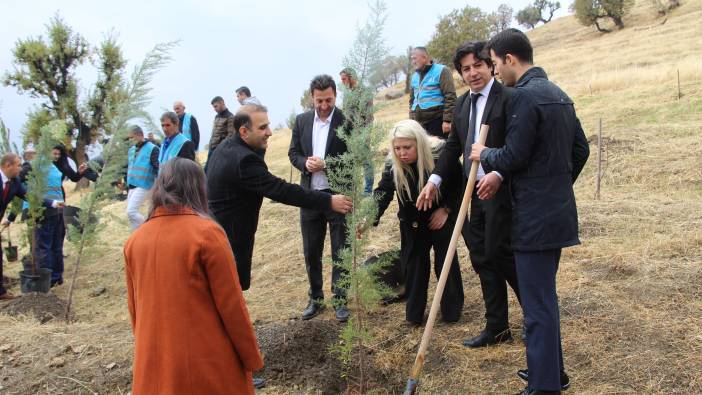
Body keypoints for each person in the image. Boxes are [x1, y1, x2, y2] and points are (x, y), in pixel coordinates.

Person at [469, 29, 589, 395]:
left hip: (533, 221)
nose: (495, 72)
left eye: (493, 63)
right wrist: (555, 186)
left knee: (537, 308)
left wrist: (482, 153)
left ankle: (544, 387)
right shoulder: (560, 95)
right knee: (544, 300)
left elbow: (512, 156)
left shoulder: (522, 97)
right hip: (556, 214)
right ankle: (553, 374)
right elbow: (580, 151)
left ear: (509, 59)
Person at [124, 158, 263, 394]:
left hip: (155, 362)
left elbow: (136, 309)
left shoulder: (135, 241)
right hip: (206, 361)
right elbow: (232, 306)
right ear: (198, 187)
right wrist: (251, 358)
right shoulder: (206, 234)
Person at [417, 41, 522, 348]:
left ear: (491, 65)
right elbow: (453, 148)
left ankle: (534, 317)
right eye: (466, 69)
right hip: (471, 192)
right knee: (481, 258)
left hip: (501, 190)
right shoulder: (462, 105)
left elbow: (520, 146)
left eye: (478, 65)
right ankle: (497, 327)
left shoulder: (509, 99)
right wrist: (435, 180)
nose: (473, 73)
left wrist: (499, 174)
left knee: (501, 255)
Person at [207, 104, 352, 292]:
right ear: (243, 131)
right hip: (230, 238)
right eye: (262, 128)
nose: (269, 132)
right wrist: (328, 201)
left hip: (219, 231)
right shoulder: (243, 161)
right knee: (229, 292)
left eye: (268, 125)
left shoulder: (227, 146)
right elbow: (281, 190)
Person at [373, 120, 464, 325]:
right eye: (397, 148)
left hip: (439, 217)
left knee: (446, 263)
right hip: (412, 222)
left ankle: (451, 312)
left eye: (407, 147)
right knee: (414, 266)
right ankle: (414, 316)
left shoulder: (440, 155)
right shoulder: (392, 164)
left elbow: (459, 184)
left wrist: (446, 210)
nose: (402, 153)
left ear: (419, 144)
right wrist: (369, 217)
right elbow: (383, 192)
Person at [288, 74, 351, 322]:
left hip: (338, 196)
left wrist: (328, 163)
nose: (324, 106)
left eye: (329, 100)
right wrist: (305, 163)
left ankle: (341, 300)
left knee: (340, 250)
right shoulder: (302, 121)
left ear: (335, 95)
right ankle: (315, 298)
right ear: (312, 97)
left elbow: (354, 156)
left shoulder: (346, 121)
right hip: (309, 197)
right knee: (311, 251)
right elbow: (293, 153)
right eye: (319, 101)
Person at [38, 145, 98, 286]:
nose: (56, 156)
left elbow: (74, 177)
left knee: (55, 241)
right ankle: (51, 275)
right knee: (48, 242)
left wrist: (80, 172)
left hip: (58, 204)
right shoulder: (42, 167)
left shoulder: (60, 165)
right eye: (54, 153)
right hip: (47, 205)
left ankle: (55, 276)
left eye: (59, 154)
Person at [0, 153, 54, 299]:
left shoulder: (15, 182)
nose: (20, 168)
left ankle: (1, 292)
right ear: (7, 165)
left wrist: (53, 203)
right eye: (18, 165)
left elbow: (30, 196)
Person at [339, 67, 375, 194]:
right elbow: (345, 113)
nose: (342, 82)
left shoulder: (364, 91)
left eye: (344, 79)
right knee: (352, 162)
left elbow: (369, 116)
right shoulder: (346, 94)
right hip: (349, 134)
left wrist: (366, 134)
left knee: (366, 163)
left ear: (351, 77)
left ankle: (367, 191)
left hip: (362, 132)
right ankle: (354, 190)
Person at [409, 47, 456, 139]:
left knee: (439, 151)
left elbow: (450, 96)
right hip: (418, 124)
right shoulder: (414, 76)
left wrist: (447, 120)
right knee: (423, 152)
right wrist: (412, 120)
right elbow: (412, 100)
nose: (413, 62)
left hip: (437, 121)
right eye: (412, 59)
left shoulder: (442, 70)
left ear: (424, 57)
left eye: (415, 58)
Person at [126, 126, 160, 230]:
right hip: (132, 185)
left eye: (132, 137)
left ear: (140, 135)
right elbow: (130, 166)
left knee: (131, 211)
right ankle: (137, 237)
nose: (130, 140)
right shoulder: (131, 150)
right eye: (129, 138)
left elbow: (157, 167)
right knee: (130, 215)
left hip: (145, 185)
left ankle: (148, 229)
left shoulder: (152, 148)